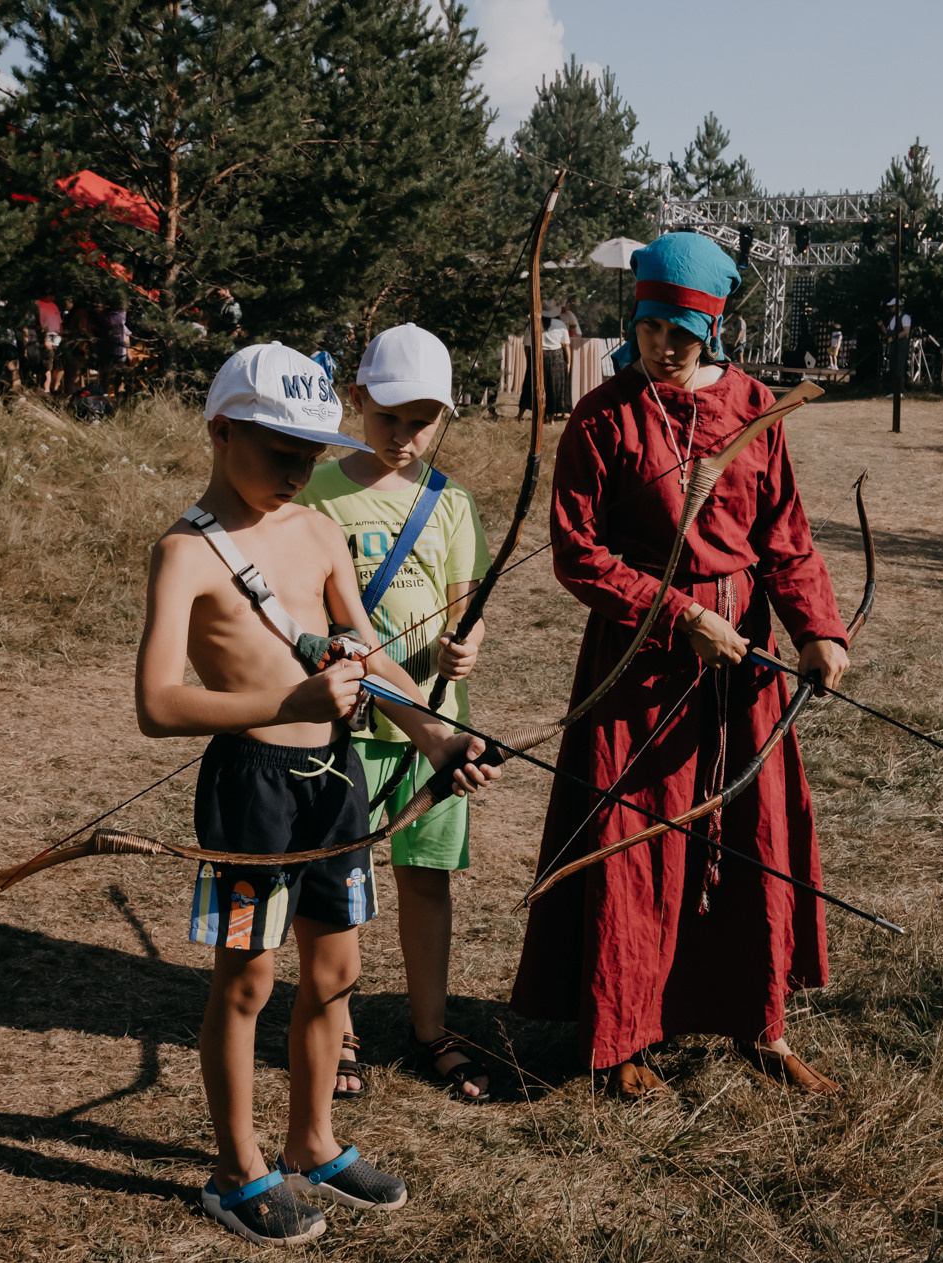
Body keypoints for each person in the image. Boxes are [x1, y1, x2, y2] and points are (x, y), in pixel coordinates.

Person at [137, 342, 500, 1244]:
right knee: (249, 981)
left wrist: (438, 734)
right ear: (221, 432)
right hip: (250, 787)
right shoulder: (185, 552)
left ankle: (313, 1141)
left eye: (310, 453)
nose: (298, 471)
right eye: (279, 451)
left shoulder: (317, 529)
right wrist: (286, 703)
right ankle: (236, 1170)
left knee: (337, 972)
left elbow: (364, 652)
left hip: (335, 778)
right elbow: (157, 702)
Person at [510, 231, 852, 1099]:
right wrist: (678, 615)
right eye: (650, 326)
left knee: (750, 835)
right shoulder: (603, 415)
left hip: (745, 661)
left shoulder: (754, 407)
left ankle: (760, 1023)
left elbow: (784, 535)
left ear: (714, 328)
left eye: (683, 333)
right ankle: (621, 1036)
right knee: (637, 838)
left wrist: (818, 629)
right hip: (641, 660)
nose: (662, 346)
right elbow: (578, 552)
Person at [300, 323, 496, 1104]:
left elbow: (465, 606)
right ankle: (339, 1026)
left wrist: (465, 647)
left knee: (426, 876)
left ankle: (430, 1027)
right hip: (345, 721)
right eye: (387, 417)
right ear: (356, 399)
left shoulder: (452, 502)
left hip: (436, 725)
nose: (403, 436)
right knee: (340, 877)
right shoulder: (316, 491)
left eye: (422, 421)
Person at [519, 301, 572, 421]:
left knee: (530, 386)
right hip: (556, 359)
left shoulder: (533, 324)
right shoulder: (560, 324)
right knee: (554, 387)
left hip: (538, 356)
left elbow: (526, 346)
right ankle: (551, 417)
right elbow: (566, 346)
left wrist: (529, 360)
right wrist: (568, 362)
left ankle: (520, 414)